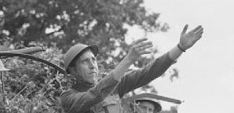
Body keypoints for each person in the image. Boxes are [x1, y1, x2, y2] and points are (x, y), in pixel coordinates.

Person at [60, 24, 204, 113]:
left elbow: (149, 72)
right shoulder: (68, 97)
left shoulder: (116, 87)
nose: (92, 65)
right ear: (72, 70)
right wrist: (128, 59)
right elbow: (96, 94)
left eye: (94, 60)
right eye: (85, 62)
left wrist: (180, 48)